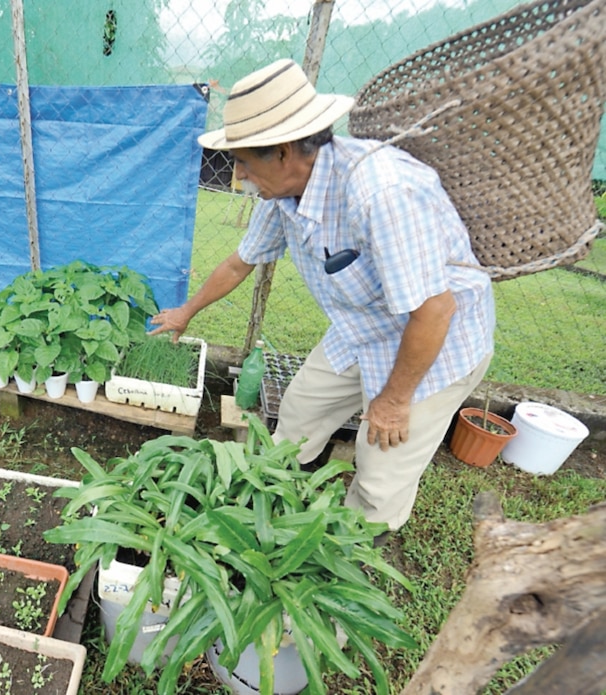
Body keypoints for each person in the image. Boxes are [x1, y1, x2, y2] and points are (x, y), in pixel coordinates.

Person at [149, 58, 495, 533]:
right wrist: (186, 313)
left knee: (379, 471)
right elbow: (239, 262)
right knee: (297, 416)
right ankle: (267, 504)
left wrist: (393, 400)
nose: (242, 176)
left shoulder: (380, 192)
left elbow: (435, 310)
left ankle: (342, 556)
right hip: (364, 330)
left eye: (245, 163)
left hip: (435, 342)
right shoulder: (285, 193)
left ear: (285, 151)